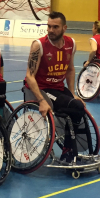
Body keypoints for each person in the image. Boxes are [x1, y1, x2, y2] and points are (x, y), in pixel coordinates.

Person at [23, 11, 87, 164]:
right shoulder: (38, 45)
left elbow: (70, 70)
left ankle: (68, 147)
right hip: (41, 89)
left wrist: (73, 93)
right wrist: (41, 100)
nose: (50, 30)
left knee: (77, 104)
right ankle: (68, 149)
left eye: (55, 27)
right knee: (76, 106)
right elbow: (29, 76)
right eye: (49, 26)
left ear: (64, 28)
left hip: (58, 88)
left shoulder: (71, 44)